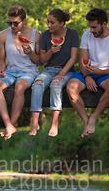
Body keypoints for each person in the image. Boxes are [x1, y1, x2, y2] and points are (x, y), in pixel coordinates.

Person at [67, 8, 109, 137]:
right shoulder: (86, 35)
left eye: (94, 27)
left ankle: (94, 117)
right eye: (90, 27)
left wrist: (101, 71)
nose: (91, 30)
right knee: (71, 87)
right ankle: (86, 121)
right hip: (87, 72)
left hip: (107, 74)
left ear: (104, 23)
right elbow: (82, 61)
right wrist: (87, 76)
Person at [0, 5, 40, 140]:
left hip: (29, 72)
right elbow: (1, 59)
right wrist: (0, 69)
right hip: (10, 72)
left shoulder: (36, 35)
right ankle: (8, 124)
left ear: (24, 20)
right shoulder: (2, 35)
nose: (12, 26)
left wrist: (30, 53)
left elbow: (40, 61)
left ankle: (11, 125)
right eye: (10, 23)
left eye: (15, 23)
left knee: (20, 86)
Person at [29, 9, 79, 137]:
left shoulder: (73, 34)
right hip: (49, 69)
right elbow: (41, 60)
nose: (49, 25)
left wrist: (62, 73)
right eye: (48, 22)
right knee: (38, 84)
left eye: (52, 23)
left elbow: (73, 58)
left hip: (67, 71)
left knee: (55, 85)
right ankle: (35, 123)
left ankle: (54, 124)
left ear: (62, 23)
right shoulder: (45, 35)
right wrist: (51, 51)